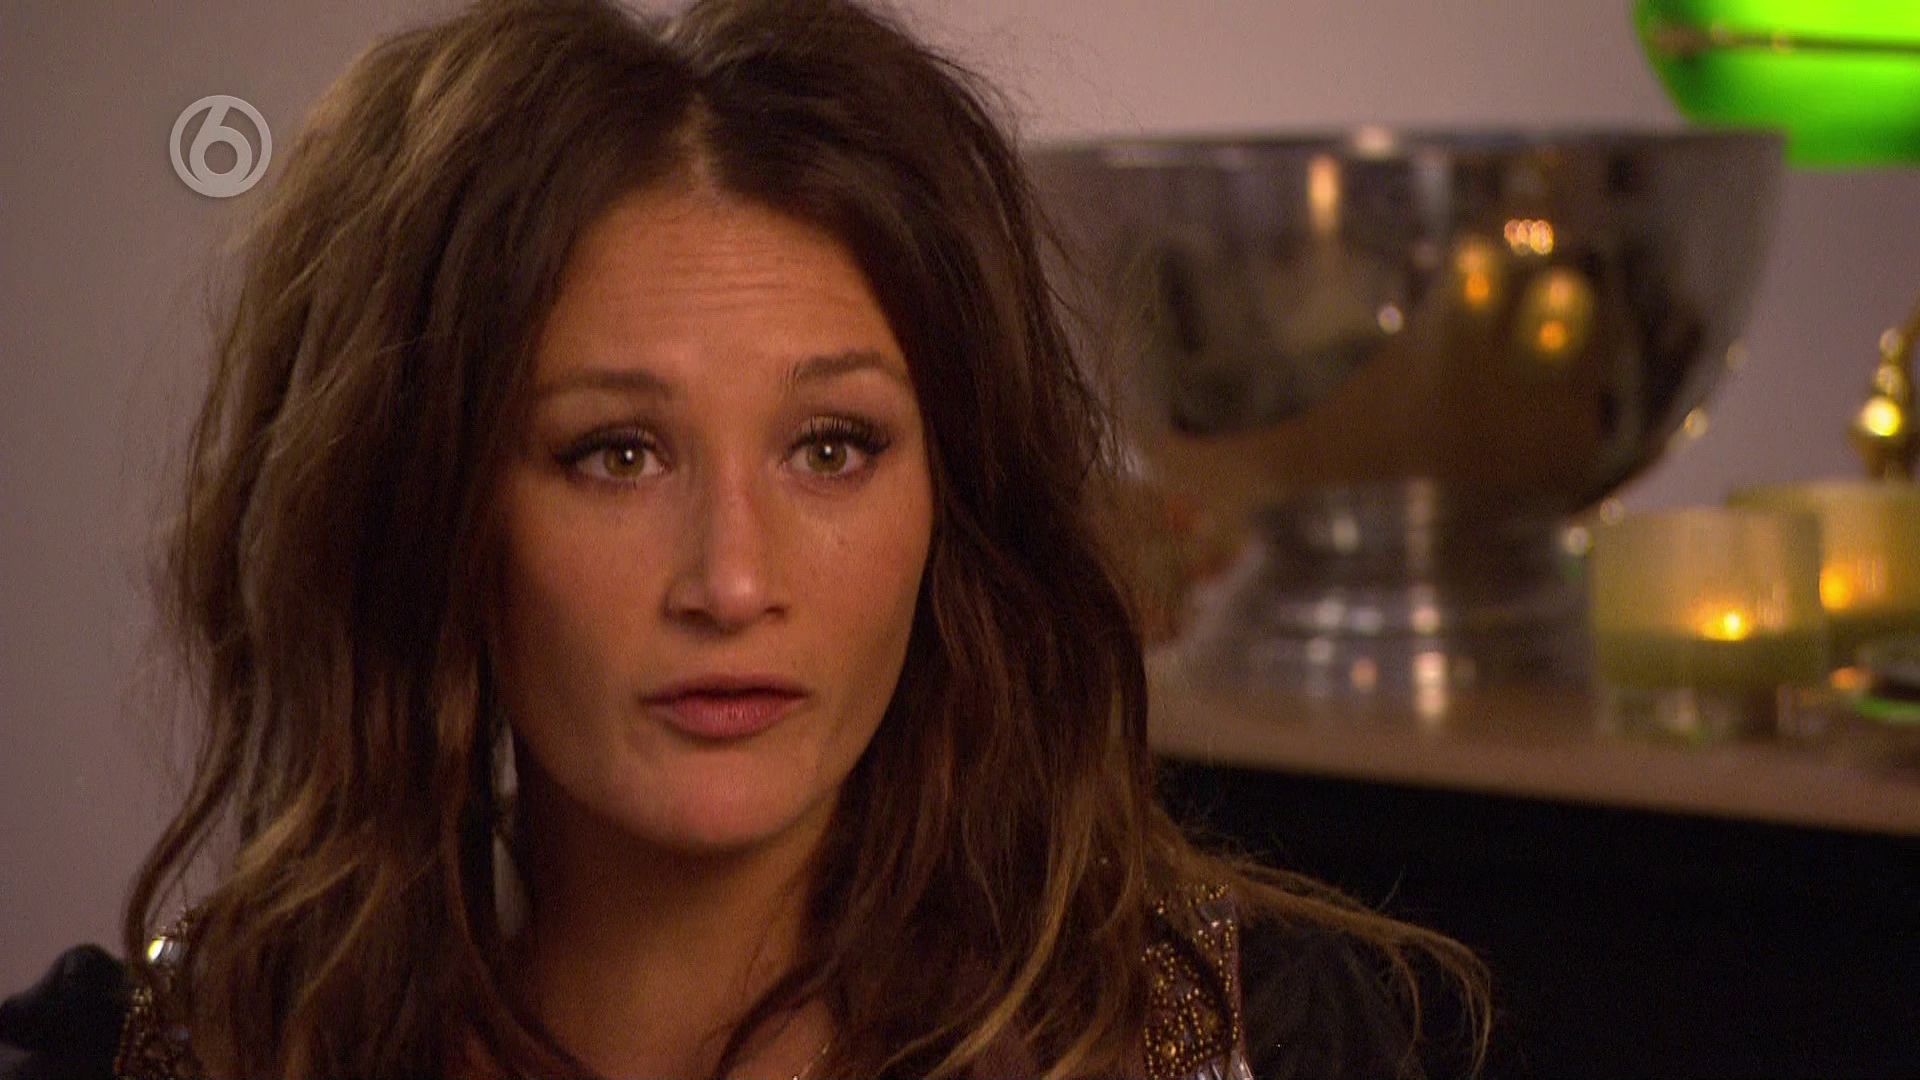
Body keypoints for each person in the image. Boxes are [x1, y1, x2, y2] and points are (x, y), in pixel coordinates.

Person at [0, 0, 1490, 1077]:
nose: (733, 580)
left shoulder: (1251, 1038)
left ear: (952, 499)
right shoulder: (162, 1052)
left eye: (832, 448)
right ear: (429, 509)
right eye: (615, 453)